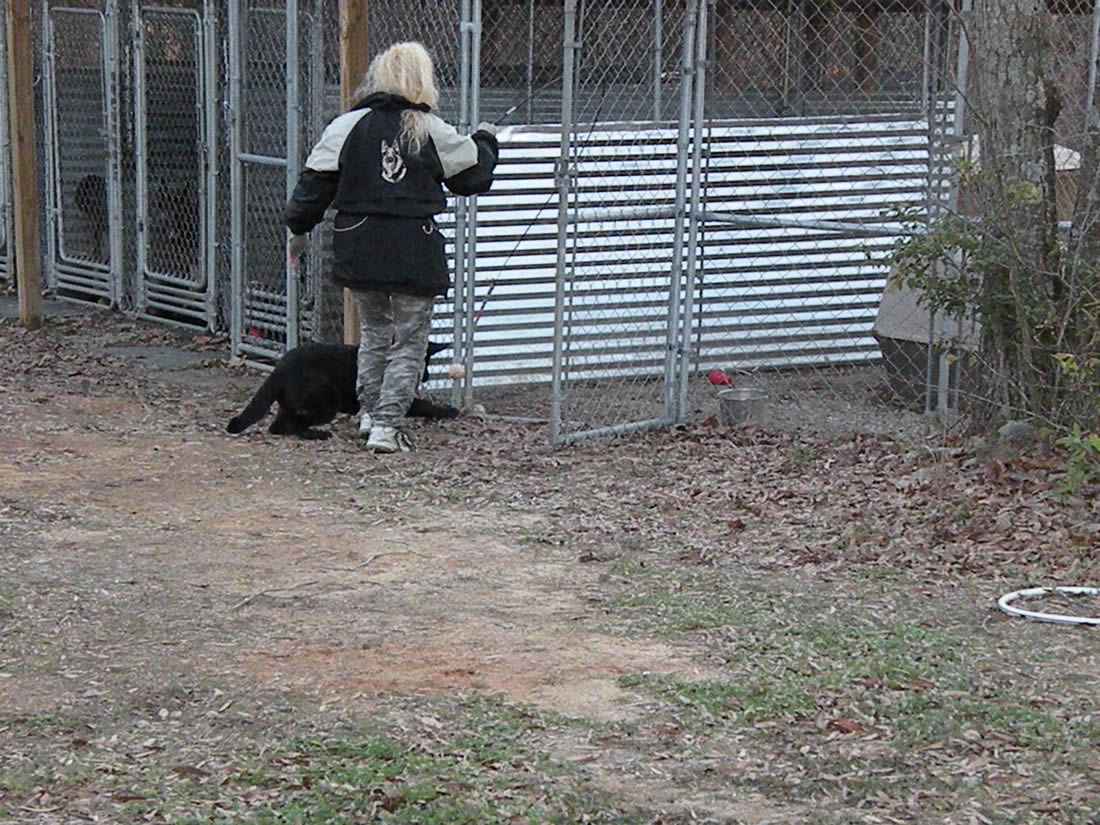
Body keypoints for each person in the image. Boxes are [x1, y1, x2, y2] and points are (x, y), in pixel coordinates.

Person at [285, 41, 499, 453]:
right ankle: (386, 426)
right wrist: (487, 139)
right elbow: (472, 176)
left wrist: (298, 233)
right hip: (413, 248)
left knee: (374, 333)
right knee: (409, 340)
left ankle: (369, 414)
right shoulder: (430, 128)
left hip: (358, 244)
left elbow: (312, 187)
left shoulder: (346, 126)